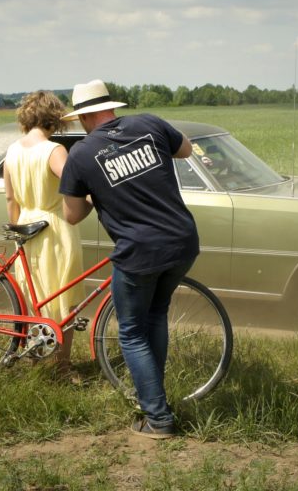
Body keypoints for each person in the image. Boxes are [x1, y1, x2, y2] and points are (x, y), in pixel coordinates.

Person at [59, 79, 198, 439]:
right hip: (182, 242)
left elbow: (72, 215)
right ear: (112, 107)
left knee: (132, 333)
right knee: (156, 314)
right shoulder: (149, 123)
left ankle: (158, 417)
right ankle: (156, 397)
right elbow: (184, 150)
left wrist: (96, 194)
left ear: (82, 118)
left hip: (138, 252)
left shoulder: (81, 155)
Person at [3, 90, 83, 374]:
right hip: (54, 227)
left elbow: (11, 199)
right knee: (65, 297)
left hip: (26, 227)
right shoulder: (54, 150)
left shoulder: (12, 151)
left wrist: (18, 232)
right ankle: (63, 365)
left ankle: (38, 359)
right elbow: (74, 181)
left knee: (35, 296)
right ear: (54, 119)